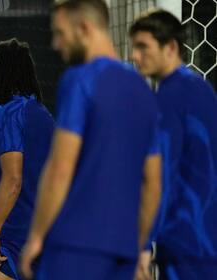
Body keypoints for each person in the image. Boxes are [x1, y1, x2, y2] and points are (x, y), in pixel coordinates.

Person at [20, 1, 162, 279]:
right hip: (123, 252)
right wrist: (139, 247)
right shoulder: (145, 93)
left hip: (74, 247)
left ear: (84, 28)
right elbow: (154, 183)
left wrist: (36, 237)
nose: (55, 43)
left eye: (60, 33)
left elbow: (60, 168)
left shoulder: (80, 79)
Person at [130, 9, 217, 280]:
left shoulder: (166, 100)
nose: (135, 56)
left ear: (170, 47)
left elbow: (160, 176)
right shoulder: (204, 90)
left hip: (185, 242)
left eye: (143, 47)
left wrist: (144, 245)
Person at [0, 38, 54, 280]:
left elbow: (13, 179)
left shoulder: (10, 114)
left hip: (15, 232)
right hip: (47, 230)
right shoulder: (44, 115)